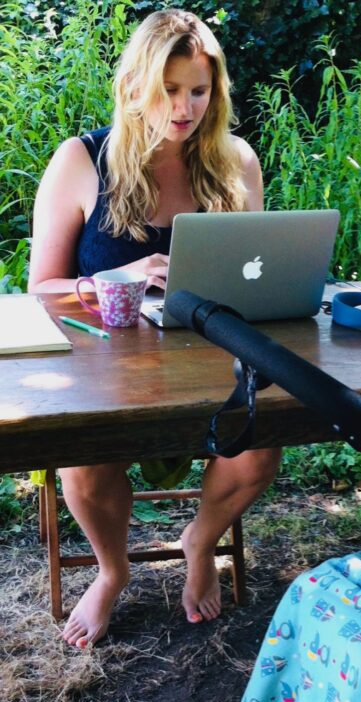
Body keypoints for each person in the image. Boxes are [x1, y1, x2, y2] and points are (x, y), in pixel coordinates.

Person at [27, 9, 282, 648]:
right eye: (169, 89)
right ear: (136, 83)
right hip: (105, 369)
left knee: (261, 450)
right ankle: (112, 573)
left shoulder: (235, 164)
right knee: (82, 468)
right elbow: (41, 289)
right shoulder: (81, 161)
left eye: (198, 90)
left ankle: (199, 542)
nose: (184, 107)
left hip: (207, 361)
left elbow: (256, 271)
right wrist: (125, 275)